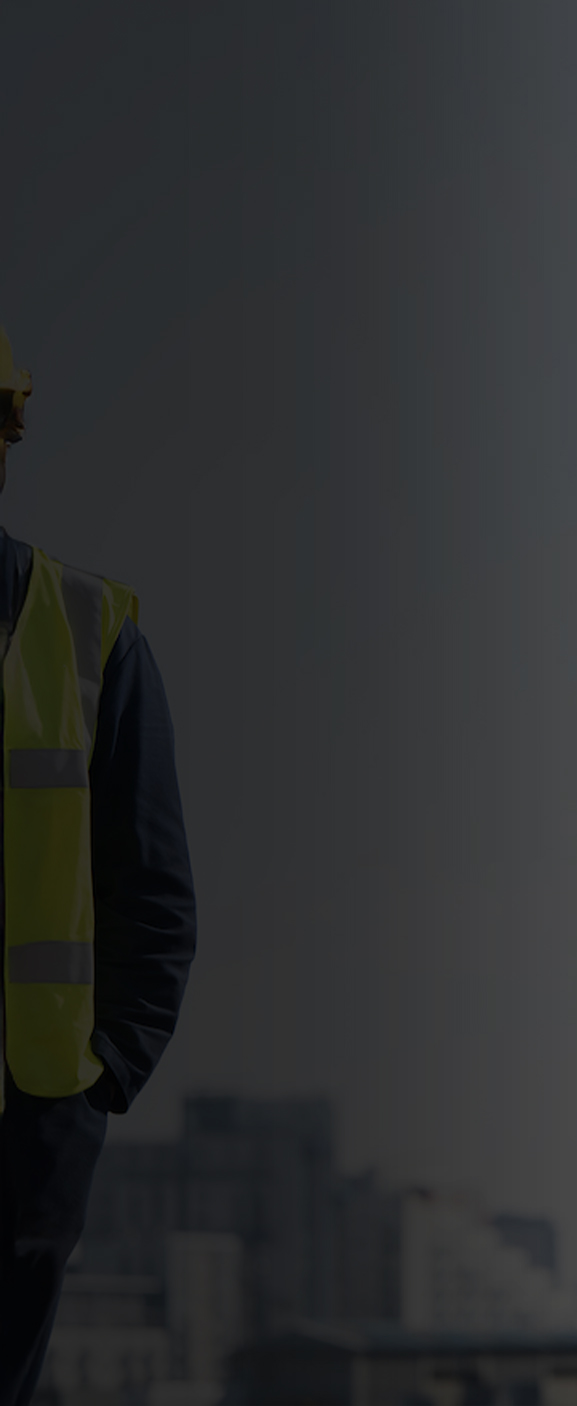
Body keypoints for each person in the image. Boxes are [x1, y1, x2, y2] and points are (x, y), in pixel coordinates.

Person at [0, 323, 198, 1405]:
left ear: (9, 433)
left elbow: (154, 891)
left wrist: (96, 1082)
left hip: (27, 1132)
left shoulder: (89, 632)